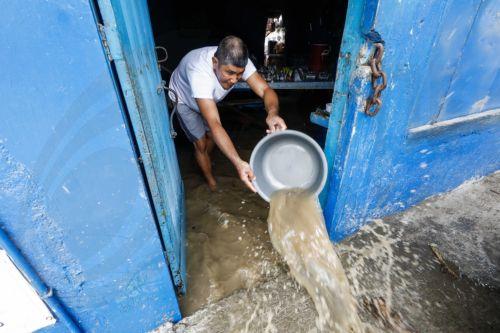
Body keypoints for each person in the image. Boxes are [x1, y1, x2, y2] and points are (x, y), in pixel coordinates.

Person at [169, 36, 287, 192]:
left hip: (207, 99)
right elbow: (215, 123)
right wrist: (238, 162)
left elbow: (265, 90)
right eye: (229, 73)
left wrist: (272, 113)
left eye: (239, 74)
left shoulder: (240, 62)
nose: (234, 80)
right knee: (201, 144)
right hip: (184, 100)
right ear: (215, 62)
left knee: (212, 136)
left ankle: (205, 159)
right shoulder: (199, 72)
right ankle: (211, 183)